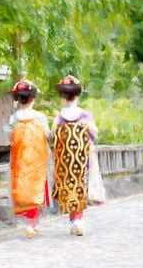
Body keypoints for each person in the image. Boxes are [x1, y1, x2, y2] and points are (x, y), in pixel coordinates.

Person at [51, 75, 98, 236]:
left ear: (63, 95)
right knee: (80, 186)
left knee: (69, 186)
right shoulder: (85, 115)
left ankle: (74, 220)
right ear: (78, 94)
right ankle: (77, 220)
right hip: (82, 158)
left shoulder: (59, 116)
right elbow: (94, 134)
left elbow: (52, 136)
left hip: (65, 160)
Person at [4, 80, 50, 239]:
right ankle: (32, 224)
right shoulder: (40, 118)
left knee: (23, 189)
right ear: (33, 97)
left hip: (20, 161)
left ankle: (31, 223)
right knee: (36, 189)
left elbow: (9, 136)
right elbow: (47, 135)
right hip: (37, 161)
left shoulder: (13, 119)